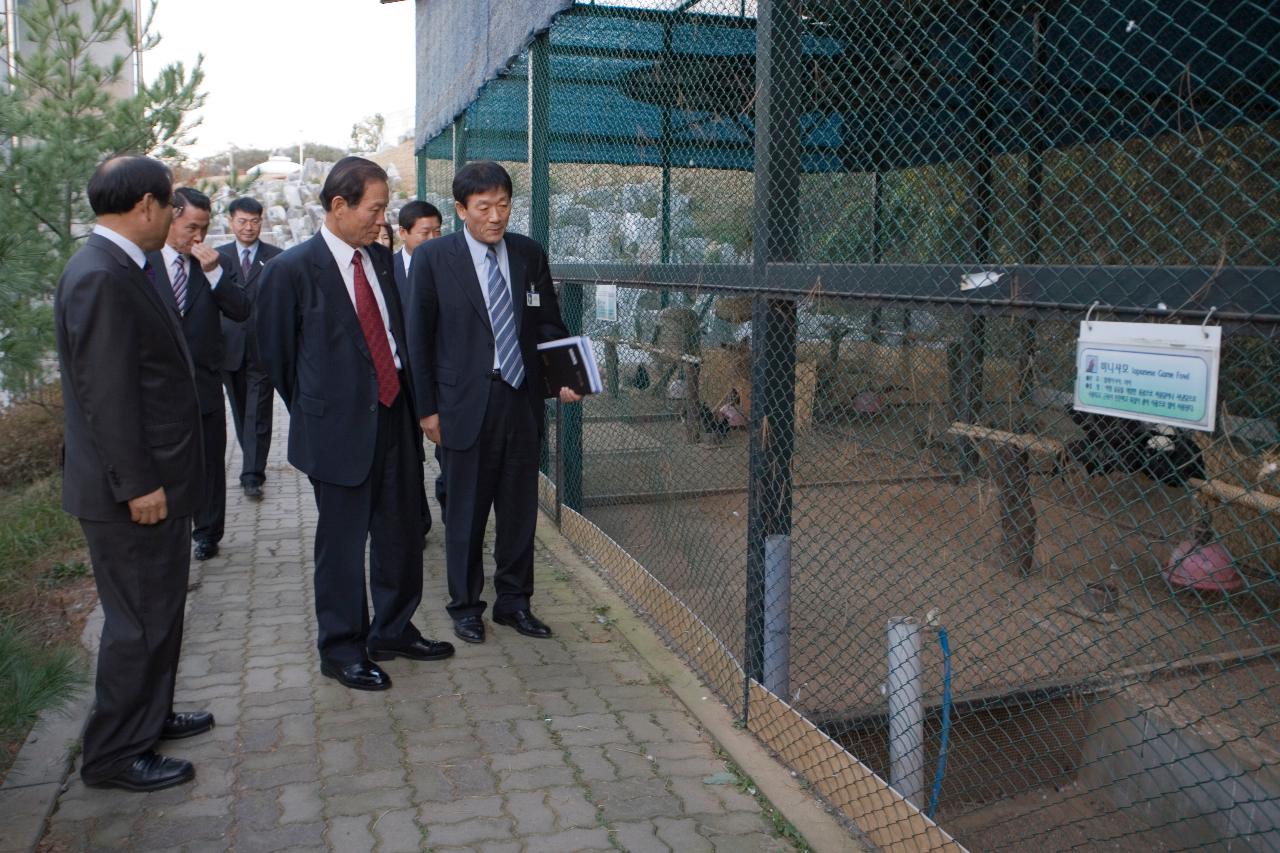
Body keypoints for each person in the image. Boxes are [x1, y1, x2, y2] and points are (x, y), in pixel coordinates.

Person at [256, 156, 454, 691]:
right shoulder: (292, 271)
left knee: (400, 532)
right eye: (375, 208)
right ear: (339, 206)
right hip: (336, 432)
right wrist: (321, 407)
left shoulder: (381, 263)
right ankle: (341, 647)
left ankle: (392, 629)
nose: (381, 219)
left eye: (385, 208)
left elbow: (396, 337)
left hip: (394, 418)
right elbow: (275, 357)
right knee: (342, 545)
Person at [56, 155, 212, 792]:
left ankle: (149, 717)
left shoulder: (125, 264)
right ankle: (116, 754)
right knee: (138, 622)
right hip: (133, 491)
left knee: (160, 610)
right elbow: (107, 395)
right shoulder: (100, 274)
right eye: (172, 204)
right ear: (146, 206)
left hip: (157, 483)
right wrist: (137, 484)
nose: (177, 215)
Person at [406, 160, 582, 645]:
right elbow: (418, 340)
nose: (496, 216)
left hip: (521, 400)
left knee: (519, 510)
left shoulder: (527, 253)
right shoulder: (434, 259)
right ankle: (465, 607)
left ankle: (514, 603)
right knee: (464, 513)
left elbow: (548, 324)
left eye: (503, 205)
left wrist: (565, 375)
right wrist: (427, 410)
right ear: (461, 209)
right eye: (483, 207)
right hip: (463, 406)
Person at [147, 188, 250, 562]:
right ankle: (172, 528)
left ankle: (208, 533)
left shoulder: (214, 262)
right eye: (191, 227)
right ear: (171, 218)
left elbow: (241, 309)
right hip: (160, 389)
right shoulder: (146, 263)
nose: (198, 237)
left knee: (209, 463)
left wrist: (214, 274)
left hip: (205, 382)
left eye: (204, 228)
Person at [218, 197, 282, 500]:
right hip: (228, 349)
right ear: (231, 221)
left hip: (262, 349)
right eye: (242, 221)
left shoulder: (276, 259)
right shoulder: (216, 258)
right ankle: (250, 461)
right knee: (241, 410)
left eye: (254, 221)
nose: (248, 227)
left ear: (262, 222)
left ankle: (252, 474)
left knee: (258, 412)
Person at [393, 200, 447, 517]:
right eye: (424, 233)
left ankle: (451, 513)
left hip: (440, 378)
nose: (432, 239)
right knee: (407, 457)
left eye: (437, 231)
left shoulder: (451, 267)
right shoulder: (386, 271)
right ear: (403, 233)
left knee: (448, 453)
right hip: (401, 382)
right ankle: (417, 521)